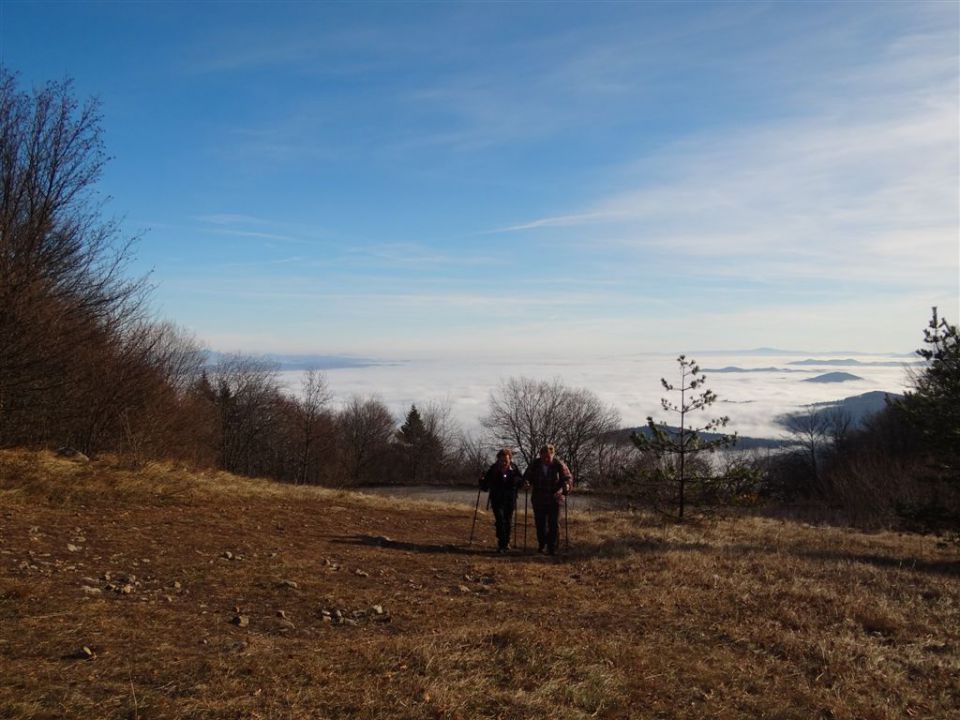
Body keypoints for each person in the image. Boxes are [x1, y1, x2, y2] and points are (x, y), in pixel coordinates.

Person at [523, 444, 573, 555]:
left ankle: (552, 547)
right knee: (540, 524)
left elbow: (568, 478)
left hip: (555, 498)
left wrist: (566, 487)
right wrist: (526, 483)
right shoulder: (535, 464)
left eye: (548, 457)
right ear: (540, 455)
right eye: (544, 457)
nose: (546, 459)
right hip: (539, 498)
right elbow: (526, 477)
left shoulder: (559, 464)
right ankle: (542, 545)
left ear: (553, 455)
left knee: (553, 523)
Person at [481, 448, 524, 553]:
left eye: (506, 460)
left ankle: (506, 542)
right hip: (497, 499)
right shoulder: (493, 469)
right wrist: (481, 481)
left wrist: (520, 482)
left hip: (510, 499)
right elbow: (485, 486)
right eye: (502, 460)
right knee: (500, 520)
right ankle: (502, 544)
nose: (504, 462)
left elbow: (521, 481)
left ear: (510, 459)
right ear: (498, 459)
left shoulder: (514, 468)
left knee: (508, 521)